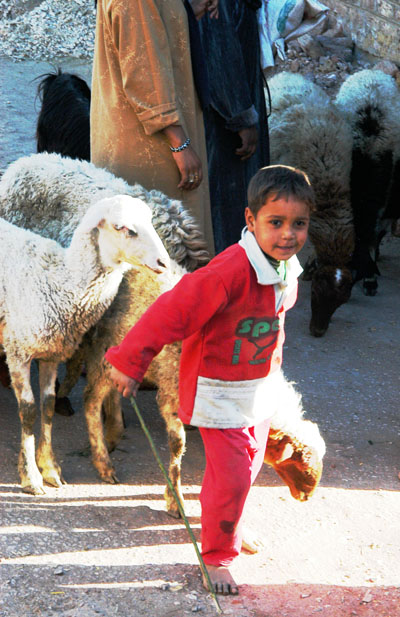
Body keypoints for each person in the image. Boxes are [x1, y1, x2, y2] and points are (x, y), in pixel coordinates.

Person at [105, 165, 315, 595]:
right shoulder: (227, 273)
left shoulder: (285, 267)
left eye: (299, 224)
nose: (288, 235)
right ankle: (218, 554)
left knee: (251, 464)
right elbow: (171, 310)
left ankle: (229, 523)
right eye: (275, 223)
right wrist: (130, 359)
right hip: (219, 390)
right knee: (235, 473)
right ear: (251, 220)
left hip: (258, 386)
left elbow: (272, 321)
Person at [91, 0, 218, 255]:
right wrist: (179, 142)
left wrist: (184, 12)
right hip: (152, 144)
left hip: (155, 134)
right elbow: (142, 71)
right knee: (162, 251)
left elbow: (148, 33)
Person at [198, 0, 270, 253]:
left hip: (235, 110)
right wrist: (243, 118)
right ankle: (229, 279)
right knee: (230, 208)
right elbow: (220, 56)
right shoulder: (222, 4)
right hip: (225, 126)